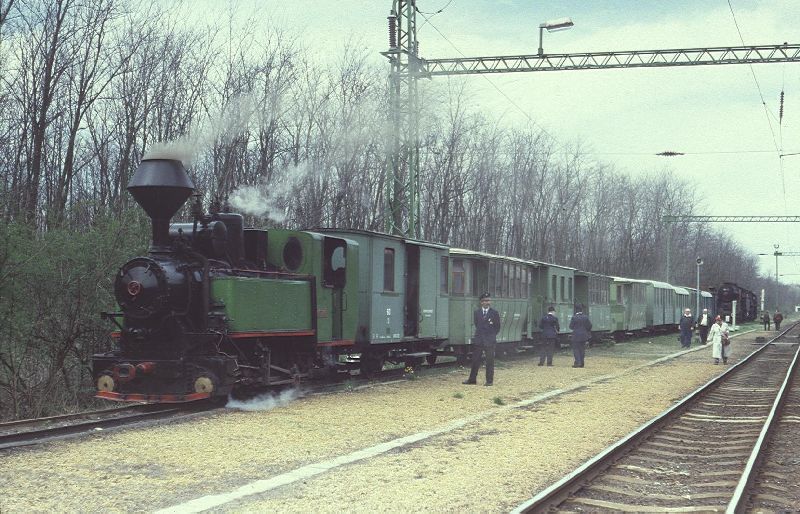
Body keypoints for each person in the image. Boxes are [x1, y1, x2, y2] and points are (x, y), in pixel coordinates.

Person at [463, 292, 501, 386]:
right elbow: (477, 324)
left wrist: (491, 336)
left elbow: (497, 327)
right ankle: (472, 380)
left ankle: (489, 381)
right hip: (479, 340)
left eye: (488, 300)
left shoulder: (494, 313)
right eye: (484, 301)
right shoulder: (477, 312)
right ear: (481, 302)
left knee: (489, 361)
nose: (486, 302)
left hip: (489, 341)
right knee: (475, 360)